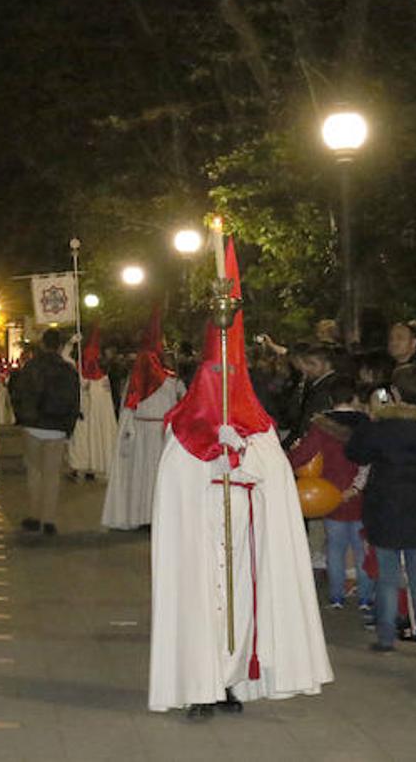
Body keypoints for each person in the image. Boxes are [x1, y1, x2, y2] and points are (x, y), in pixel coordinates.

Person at [148, 243, 332, 716]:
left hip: (245, 540)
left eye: (230, 372)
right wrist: (212, 459)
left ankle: (231, 682)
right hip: (201, 539)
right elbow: (175, 486)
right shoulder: (182, 429)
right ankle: (198, 684)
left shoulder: (259, 428)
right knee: (200, 608)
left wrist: (244, 454)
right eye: (215, 373)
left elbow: (273, 480)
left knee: (242, 611)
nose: (222, 380)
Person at [346, 363, 416, 654]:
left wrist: (370, 420)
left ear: (393, 392)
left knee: (387, 575)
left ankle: (385, 637)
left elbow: (354, 452)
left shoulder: (381, 428)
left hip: (384, 508)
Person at [286, 377, 371, 612]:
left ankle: (336, 596)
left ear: (331, 400)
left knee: (335, 548)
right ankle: (365, 598)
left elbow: (303, 455)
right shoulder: (367, 424)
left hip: (329, 494)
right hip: (360, 496)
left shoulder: (320, 426)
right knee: (360, 547)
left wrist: (287, 460)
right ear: (354, 399)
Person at [103, 306, 184, 531]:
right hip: (160, 433)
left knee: (140, 474)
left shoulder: (136, 379)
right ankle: (156, 515)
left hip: (143, 431)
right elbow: (182, 402)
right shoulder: (171, 381)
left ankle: (141, 514)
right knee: (156, 474)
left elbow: (127, 405)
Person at [8, 328, 80, 537]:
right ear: (59, 346)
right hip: (57, 429)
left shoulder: (31, 367)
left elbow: (18, 393)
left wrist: (21, 417)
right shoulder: (68, 370)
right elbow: (74, 401)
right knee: (51, 475)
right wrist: (69, 427)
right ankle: (49, 519)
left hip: (33, 426)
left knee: (34, 473)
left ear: (42, 344)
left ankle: (35, 515)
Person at [67, 328, 118, 482]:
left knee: (84, 441)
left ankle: (88, 468)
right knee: (89, 440)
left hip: (86, 415)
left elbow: (65, 358)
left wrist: (70, 344)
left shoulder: (94, 378)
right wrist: (71, 343)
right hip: (86, 415)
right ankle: (90, 467)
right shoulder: (103, 378)